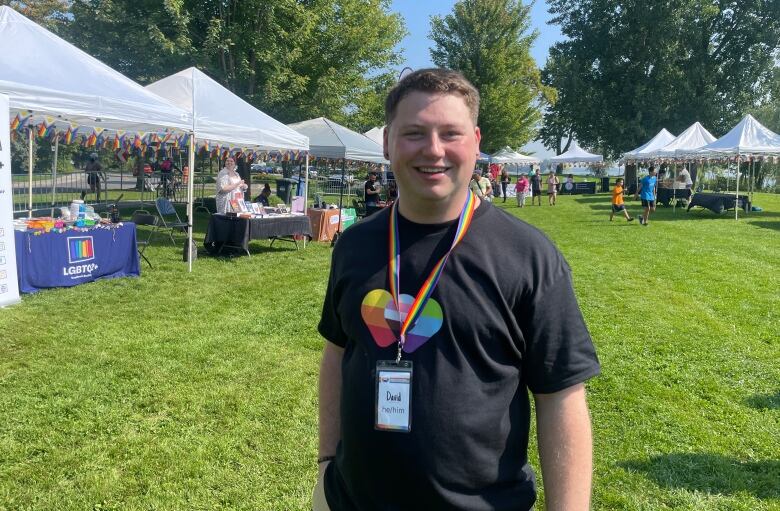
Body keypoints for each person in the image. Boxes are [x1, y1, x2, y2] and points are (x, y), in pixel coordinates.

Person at [316, 68, 599, 511]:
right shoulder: (354, 245)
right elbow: (337, 352)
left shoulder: (528, 255)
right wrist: (326, 465)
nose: (433, 150)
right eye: (414, 133)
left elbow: (560, 395)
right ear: (387, 142)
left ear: (476, 140)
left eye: (451, 133)